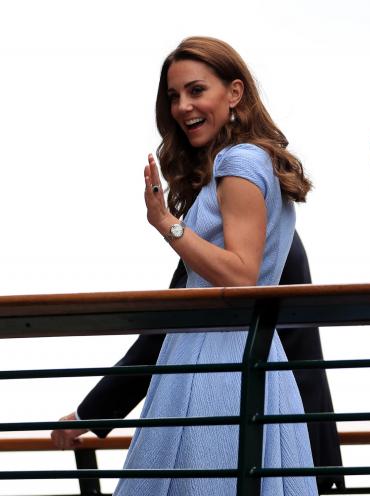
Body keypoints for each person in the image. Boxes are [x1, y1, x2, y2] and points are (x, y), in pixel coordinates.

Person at [101, 36, 317, 495]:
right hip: (239, 355)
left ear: (234, 93)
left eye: (196, 90)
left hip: (217, 361)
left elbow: (241, 273)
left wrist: (167, 224)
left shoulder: (238, 162)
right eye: (174, 96)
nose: (182, 106)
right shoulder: (245, 161)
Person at [51, 232, 344, 492]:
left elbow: (168, 333)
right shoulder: (271, 223)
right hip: (295, 432)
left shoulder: (227, 234)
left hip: (265, 439)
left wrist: (87, 415)